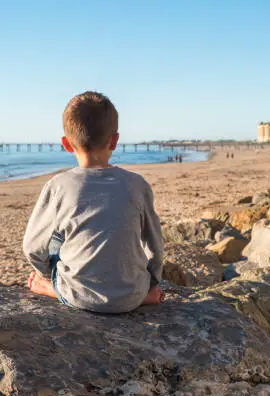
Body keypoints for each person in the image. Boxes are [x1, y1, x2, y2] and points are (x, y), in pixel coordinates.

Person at [23, 91, 164, 313]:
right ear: (115, 140)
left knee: (55, 239)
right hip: (132, 295)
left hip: (79, 296)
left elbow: (32, 248)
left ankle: (49, 289)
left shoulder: (58, 185)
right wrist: (151, 282)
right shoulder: (137, 184)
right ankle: (141, 296)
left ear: (66, 144)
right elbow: (155, 245)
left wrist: (44, 275)